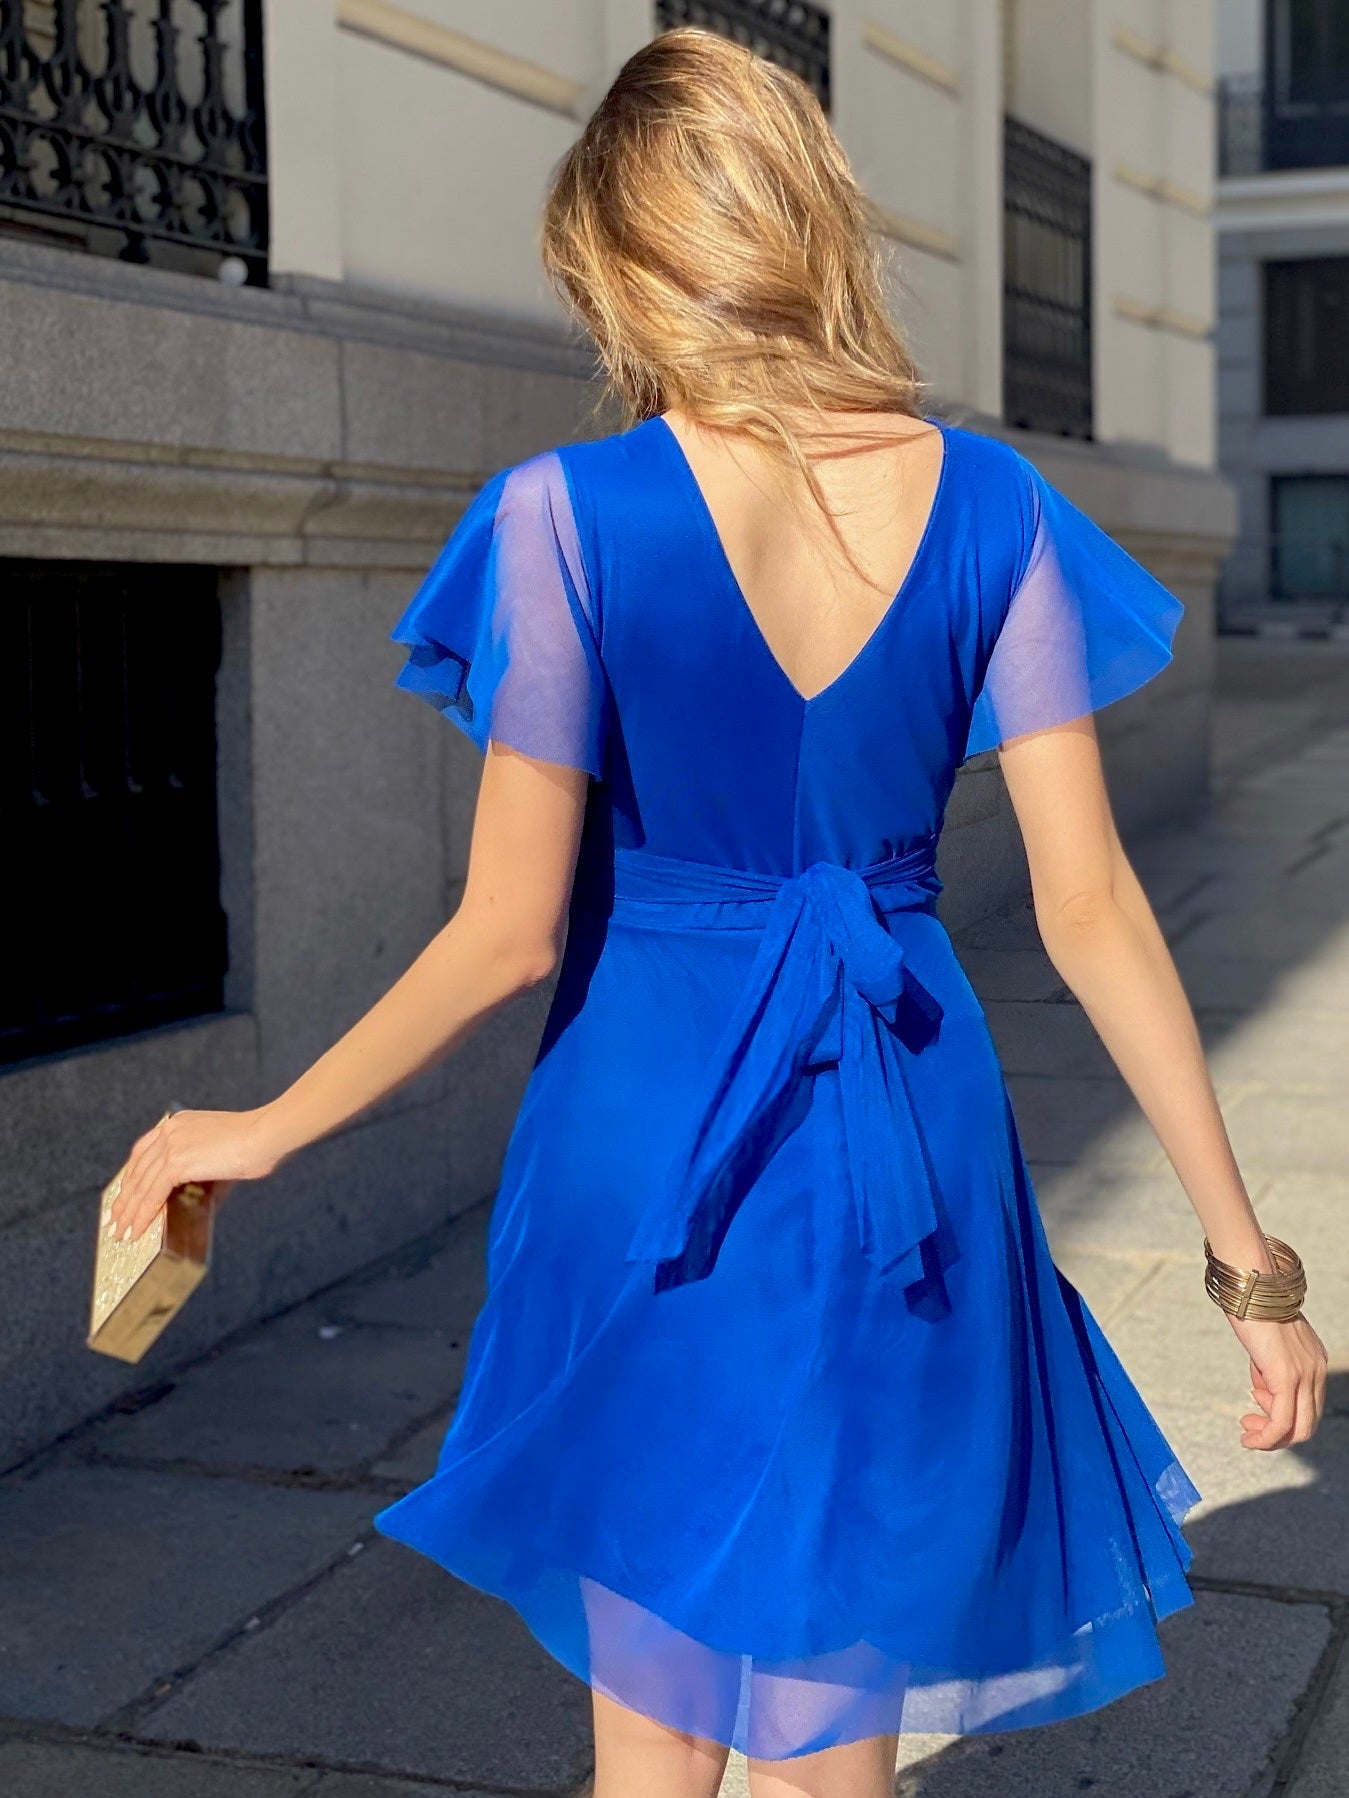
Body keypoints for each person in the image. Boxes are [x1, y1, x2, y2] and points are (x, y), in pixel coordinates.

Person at [109, 27, 1328, 1798]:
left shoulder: (565, 519)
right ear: (810, 222)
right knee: (840, 1747)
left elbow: (509, 932)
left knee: (654, 1748)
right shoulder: (994, 503)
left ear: (621, 258)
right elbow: (1092, 909)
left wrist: (270, 1123)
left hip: (648, 1132)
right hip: (906, 1130)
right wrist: (1250, 1272)